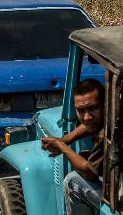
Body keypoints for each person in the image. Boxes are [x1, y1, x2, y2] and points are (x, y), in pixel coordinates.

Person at [41, 79, 106, 215]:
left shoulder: (108, 131)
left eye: (93, 108)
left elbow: (90, 173)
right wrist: (66, 139)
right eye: (81, 110)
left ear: (105, 105)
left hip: (120, 198)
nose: (87, 117)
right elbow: (91, 123)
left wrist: (62, 146)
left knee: (72, 181)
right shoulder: (113, 116)